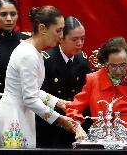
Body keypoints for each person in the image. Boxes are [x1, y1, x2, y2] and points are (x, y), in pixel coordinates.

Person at [0, 6, 78, 148]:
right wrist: (59, 119)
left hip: (19, 113)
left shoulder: (34, 51)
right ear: (42, 28)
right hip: (13, 117)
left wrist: (60, 102)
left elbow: (32, 91)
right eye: (58, 30)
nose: (61, 36)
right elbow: (30, 98)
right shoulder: (28, 55)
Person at [36, 16, 92, 148]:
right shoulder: (46, 60)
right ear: (61, 38)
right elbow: (39, 95)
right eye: (75, 39)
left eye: (82, 38)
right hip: (51, 122)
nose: (80, 43)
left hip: (76, 121)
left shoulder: (82, 59)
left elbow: (86, 92)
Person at [0, 0, 29, 142]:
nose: (9, 19)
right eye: (3, 14)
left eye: (13, 14)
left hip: (21, 107)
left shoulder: (26, 41)